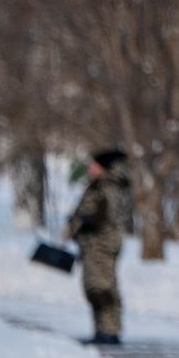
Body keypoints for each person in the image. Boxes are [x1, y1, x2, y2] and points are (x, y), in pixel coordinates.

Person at [66, 148, 133, 345]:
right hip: (93, 244)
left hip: (102, 245)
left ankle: (109, 331)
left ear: (103, 167)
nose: (90, 169)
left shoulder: (109, 187)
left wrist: (84, 220)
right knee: (93, 287)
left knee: (103, 287)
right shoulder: (101, 185)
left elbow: (105, 215)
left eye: (93, 165)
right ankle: (102, 330)